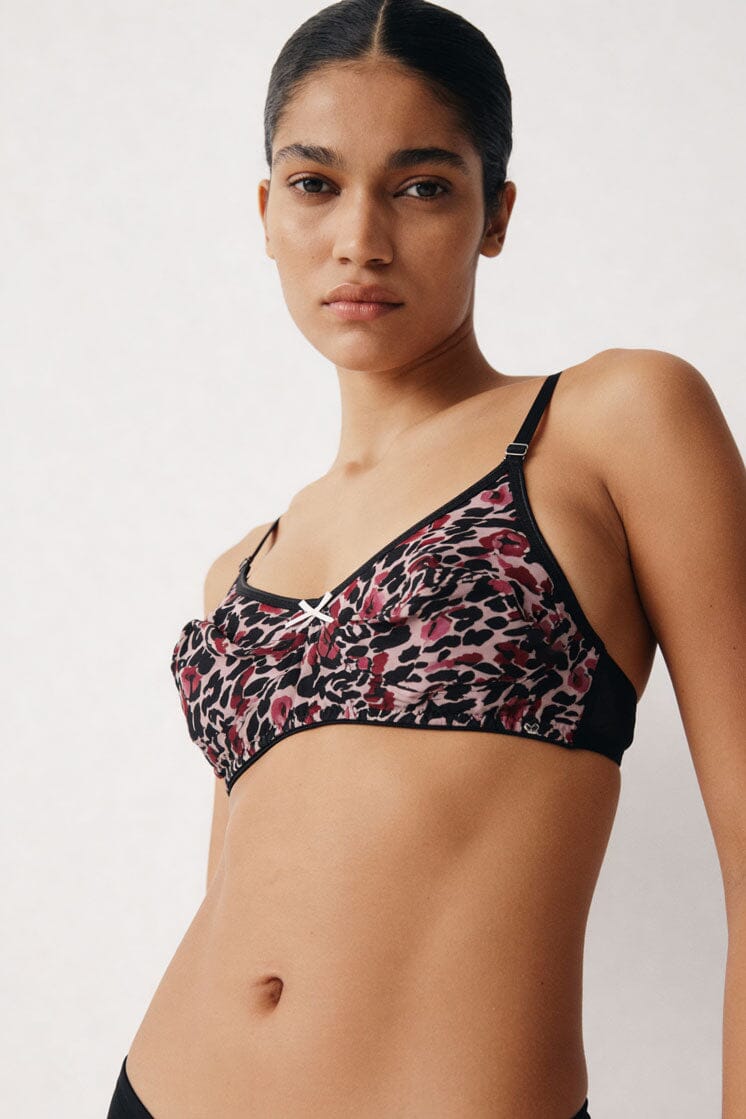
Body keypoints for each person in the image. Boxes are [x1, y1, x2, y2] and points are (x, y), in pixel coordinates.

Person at [107, 1, 746, 1116]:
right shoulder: (240, 570)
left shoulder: (610, 423)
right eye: (315, 184)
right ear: (267, 212)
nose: (359, 238)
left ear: (495, 213)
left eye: (420, 187)